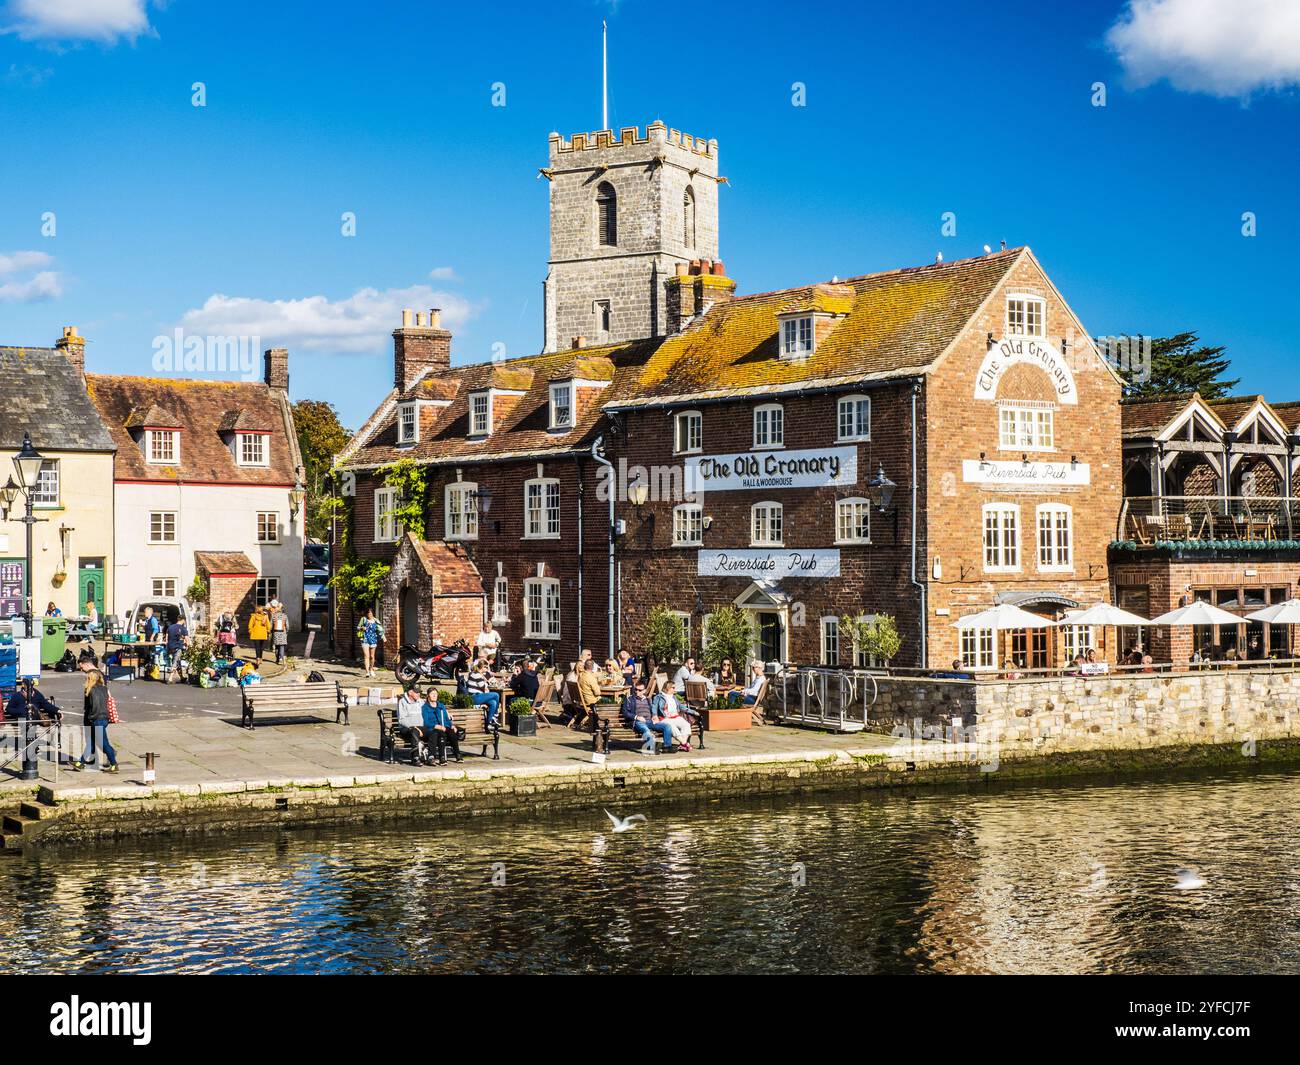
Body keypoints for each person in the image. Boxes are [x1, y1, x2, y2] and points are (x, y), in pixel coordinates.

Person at [74, 659, 118, 773]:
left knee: (104, 743)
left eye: (87, 678)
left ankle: (114, 763)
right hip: (103, 718)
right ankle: (80, 763)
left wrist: (90, 719)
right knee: (91, 742)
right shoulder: (103, 688)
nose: (86, 679)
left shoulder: (91, 690)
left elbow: (94, 707)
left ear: (91, 679)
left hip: (96, 720)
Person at [621, 679, 673, 753]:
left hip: (650, 721)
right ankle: (652, 748)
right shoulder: (630, 699)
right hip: (638, 722)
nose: (637, 692)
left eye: (639, 690)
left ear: (644, 691)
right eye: (635, 689)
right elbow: (625, 712)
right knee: (646, 730)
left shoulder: (648, 700)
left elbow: (652, 711)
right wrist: (637, 717)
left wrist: (654, 716)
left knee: (667, 726)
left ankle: (667, 747)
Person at [421, 689, 462, 764]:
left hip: (444, 726)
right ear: (428, 696)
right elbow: (426, 722)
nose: (434, 695)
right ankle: (442, 757)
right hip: (433, 728)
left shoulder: (441, 706)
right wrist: (436, 726)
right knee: (441, 733)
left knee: (452, 732)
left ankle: (458, 755)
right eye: (432, 694)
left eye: (436, 694)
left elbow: (446, 719)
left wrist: (451, 725)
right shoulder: (425, 707)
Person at [652, 680, 692, 751]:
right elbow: (654, 707)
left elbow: (681, 706)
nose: (674, 689)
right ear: (667, 688)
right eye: (673, 687)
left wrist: (693, 712)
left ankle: (682, 744)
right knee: (672, 727)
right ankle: (684, 743)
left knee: (686, 725)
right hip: (665, 718)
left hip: (675, 717)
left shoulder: (674, 697)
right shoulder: (658, 697)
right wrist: (654, 715)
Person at [394, 686, 429, 766]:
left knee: (433, 731)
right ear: (410, 692)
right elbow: (401, 720)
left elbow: (432, 708)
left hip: (420, 729)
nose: (419, 694)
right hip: (407, 729)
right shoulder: (402, 702)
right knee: (414, 732)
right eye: (416, 692)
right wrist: (414, 727)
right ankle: (415, 757)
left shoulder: (421, 701)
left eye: (419, 692)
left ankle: (430, 756)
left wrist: (446, 713)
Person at [463, 658, 501, 726]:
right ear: (482, 667)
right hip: (474, 697)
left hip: (478, 696)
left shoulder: (476, 674)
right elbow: (482, 686)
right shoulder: (477, 675)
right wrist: (488, 682)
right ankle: (496, 714)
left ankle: (489, 722)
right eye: (486, 667)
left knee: (493, 702)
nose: (487, 669)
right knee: (496, 695)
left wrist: (486, 680)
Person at [356, 608, 382, 678]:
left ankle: (371, 669)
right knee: (366, 656)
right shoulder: (363, 619)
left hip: (373, 639)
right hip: (365, 639)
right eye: (368, 613)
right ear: (366, 614)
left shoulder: (376, 620)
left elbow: (380, 629)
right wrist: (362, 628)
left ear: (372, 613)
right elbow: (357, 627)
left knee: (372, 656)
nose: (369, 614)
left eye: (370, 613)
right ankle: (367, 672)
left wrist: (382, 636)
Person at [576, 659, 603, 726]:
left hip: (583, 700)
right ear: (593, 667)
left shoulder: (581, 675)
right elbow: (597, 693)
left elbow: (594, 674)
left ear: (585, 666)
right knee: (612, 700)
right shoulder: (590, 678)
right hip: (592, 701)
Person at [165, 614, 190, 683]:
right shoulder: (183, 629)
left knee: (177, 661)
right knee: (175, 662)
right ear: (183, 620)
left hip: (170, 647)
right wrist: (187, 646)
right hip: (177, 647)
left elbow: (166, 639)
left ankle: (182, 677)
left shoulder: (170, 627)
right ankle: (170, 678)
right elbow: (187, 640)